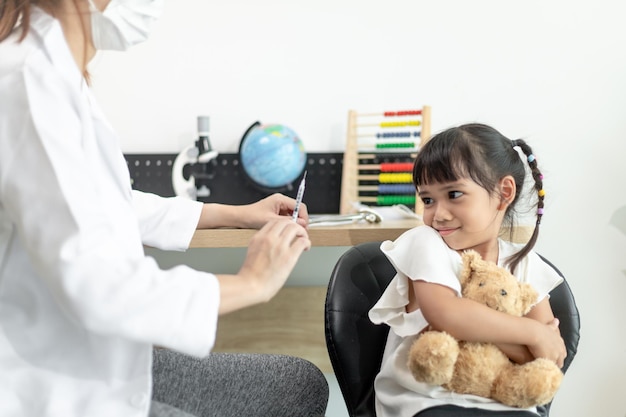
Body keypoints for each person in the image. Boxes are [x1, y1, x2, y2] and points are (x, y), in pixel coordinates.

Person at [0, 1, 328, 416]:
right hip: (46, 388)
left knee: (298, 384)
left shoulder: (55, 74)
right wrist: (252, 282)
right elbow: (96, 285)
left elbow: (109, 204)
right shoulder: (28, 81)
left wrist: (239, 213)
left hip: (90, 361)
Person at [368, 123, 567, 417]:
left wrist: (535, 340)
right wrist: (532, 333)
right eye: (427, 200)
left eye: (454, 194)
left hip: (505, 405)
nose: (439, 214)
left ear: (504, 192)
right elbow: (446, 314)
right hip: (427, 402)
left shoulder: (524, 263)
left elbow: (549, 357)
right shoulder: (425, 243)